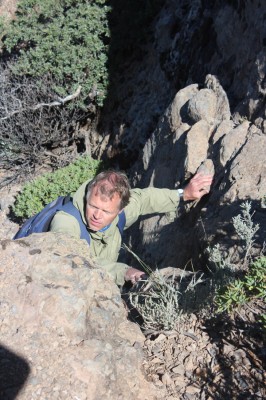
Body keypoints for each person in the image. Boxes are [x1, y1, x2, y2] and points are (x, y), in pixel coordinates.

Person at [49, 170, 213, 286]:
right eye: (92, 206)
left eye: (106, 211)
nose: (97, 216)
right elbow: (72, 259)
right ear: (87, 197)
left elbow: (144, 200)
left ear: (120, 210)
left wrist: (182, 194)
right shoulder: (66, 221)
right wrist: (124, 272)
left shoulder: (121, 210)